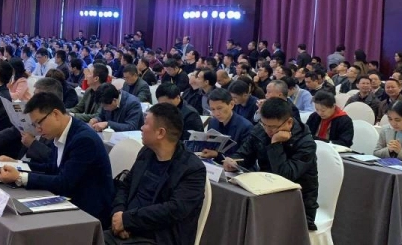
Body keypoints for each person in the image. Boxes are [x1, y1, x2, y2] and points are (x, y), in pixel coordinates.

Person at [0, 92, 114, 225]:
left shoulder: (84, 140)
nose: (38, 130)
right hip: (68, 198)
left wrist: (19, 177)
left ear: (55, 114)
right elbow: (51, 167)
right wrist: (16, 164)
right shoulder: (60, 132)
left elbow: (64, 183)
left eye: (39, 123)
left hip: (87, 210)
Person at [106, 102, 206, 245]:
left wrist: (128, 220)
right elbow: (126, 185)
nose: (141, 128)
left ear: (160, 133)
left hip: (158, 237)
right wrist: (118, 213)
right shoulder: (146, 152)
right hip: (129, 228)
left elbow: (173, 210)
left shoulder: (192, 169)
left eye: (146, 123)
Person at [224, 98, 319, 231]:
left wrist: (275, 144)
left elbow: (284, 177)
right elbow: (244, 156)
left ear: (289, 122)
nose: (268, 130)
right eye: (264, 124)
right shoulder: (261, 129)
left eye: (273, 127)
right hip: (265, 193)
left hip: (297, 203)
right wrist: (233, 161)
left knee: (251, 223)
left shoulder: (306, 144)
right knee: (234, 214)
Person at [200, 88, 253, 162]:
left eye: (219, 108)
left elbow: (245, 157)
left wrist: (217, 155)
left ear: (231, 104)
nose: (216, 113)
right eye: (213, 109)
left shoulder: (245, 127)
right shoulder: (212, 122)